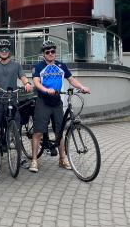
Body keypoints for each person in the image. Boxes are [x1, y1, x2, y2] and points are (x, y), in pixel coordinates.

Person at [29, 40, 90, 173]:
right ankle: (34, 160)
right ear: (43, 54)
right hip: (43, 101)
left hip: (57, 102)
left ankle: (62, 159)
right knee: (38, 131)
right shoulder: (38, 67)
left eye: (53, 51)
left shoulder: (61, 66)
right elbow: (36, 82)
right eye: (48, 52)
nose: (51, 54)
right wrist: (45, 89)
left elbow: (71, 79)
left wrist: (82, 87)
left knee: (59, 132)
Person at [0, 39, 33, 127]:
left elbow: (23, 77)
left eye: (6, 49)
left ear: (9, 51)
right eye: (1, 50)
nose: (4, 51)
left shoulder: (16, 65)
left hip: (12, 99)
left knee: (14, 124)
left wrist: (27, 83)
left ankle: (12, 138)